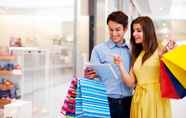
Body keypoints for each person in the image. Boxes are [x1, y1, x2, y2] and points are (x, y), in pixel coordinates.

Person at [114, 16, 175, 118]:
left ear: (148, 31)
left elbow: (170, 74)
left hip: (155, 98)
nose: (134, 34)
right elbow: (130, 82)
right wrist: (120, 64)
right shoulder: (138, 54)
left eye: (138, 31)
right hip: (139, 98)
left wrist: (168, 54)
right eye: (133, 31)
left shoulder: (160, 49)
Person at [84, 11, 132, 118]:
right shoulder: (98, 50)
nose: (114, 33)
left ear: (125, 29)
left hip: (128, 102)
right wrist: (90, 75)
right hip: (106, 101)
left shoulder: (131, 51)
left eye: (118, 29)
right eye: (111, 29)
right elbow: (91, 78)